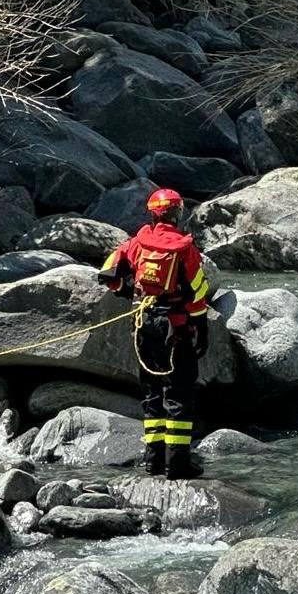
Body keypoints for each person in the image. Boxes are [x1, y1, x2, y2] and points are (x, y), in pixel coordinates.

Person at [97, 188, 210, 480]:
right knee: (179, 392)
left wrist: (125, 291)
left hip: (143, 323)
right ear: (178, 213)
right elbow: (197, 293)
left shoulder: (137, 242)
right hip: (176, 327)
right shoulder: (184, 247)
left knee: (151, 390)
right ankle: (178, 464)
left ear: (152, 213)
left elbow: (108, 272)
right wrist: (202, 327)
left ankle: (154, 459)